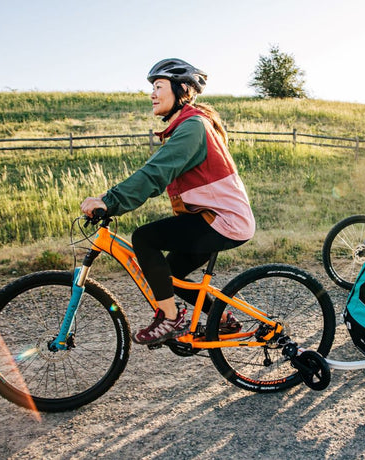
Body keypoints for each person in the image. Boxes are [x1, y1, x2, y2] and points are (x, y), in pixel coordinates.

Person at [81, 58, 256, 346]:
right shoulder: (187, 127)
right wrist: (106, 197)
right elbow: (154, 172)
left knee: (145, 238)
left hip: (224, 221)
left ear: (182, 90)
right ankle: (222, 319)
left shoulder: (193, 127)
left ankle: (171, 318)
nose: (152, 94)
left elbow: (155, 174)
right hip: (215, 218)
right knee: (170, 275)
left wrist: (111, 202)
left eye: (158, 86)